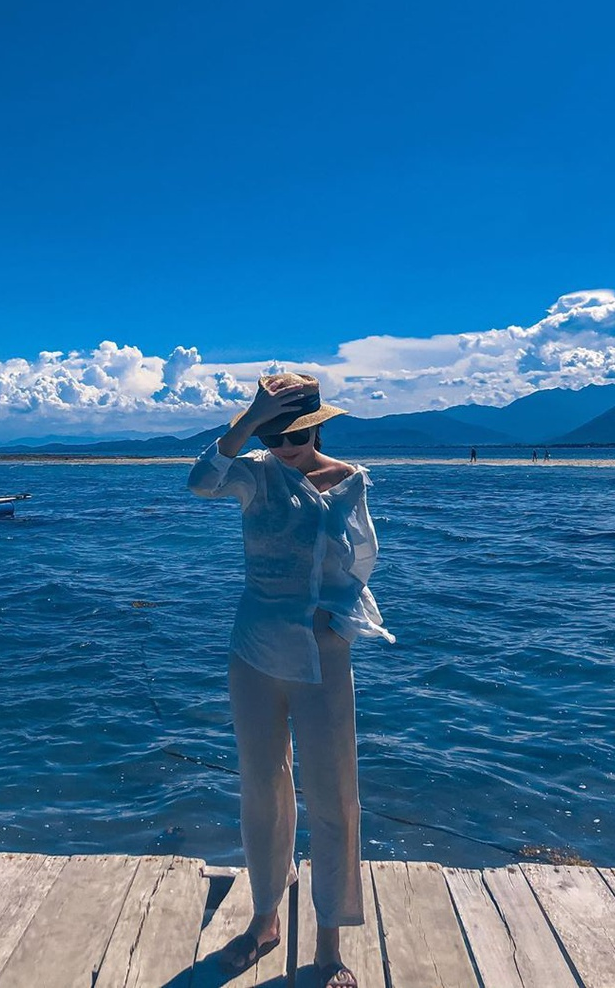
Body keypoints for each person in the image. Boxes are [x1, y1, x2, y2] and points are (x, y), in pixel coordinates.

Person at [188, 373, 394, 988]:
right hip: (254, 648)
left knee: (333, 796)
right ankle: (264, 921)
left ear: (317, 423)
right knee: (262, 786)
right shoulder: (252, 471)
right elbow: (199, 482)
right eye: (272, 431)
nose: (283, 443)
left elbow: (358, 560)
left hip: (323, 652)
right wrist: (247, 420)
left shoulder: (349, 479)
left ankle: (329, 946)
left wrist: (343, 610)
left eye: (293, 430)